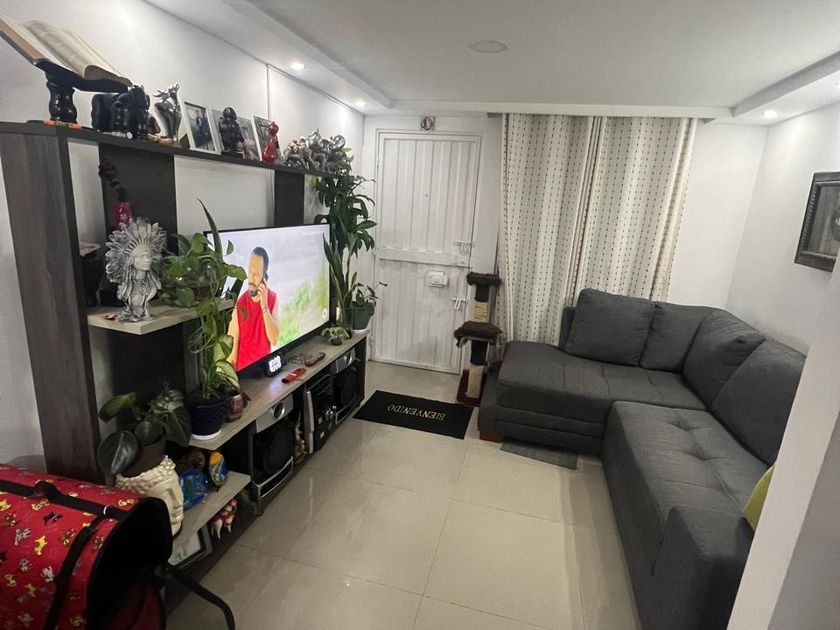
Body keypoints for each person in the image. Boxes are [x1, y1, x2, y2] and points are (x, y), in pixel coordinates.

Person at [227, 247, 280, 370]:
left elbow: (274, 339)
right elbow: (231, 355)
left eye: (256, 274)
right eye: (250, 271)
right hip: (244, 374)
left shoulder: (272, 299)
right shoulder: (240, 304)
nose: (251, 278)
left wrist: (264, 305)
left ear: (264, 277)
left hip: (265, 371)